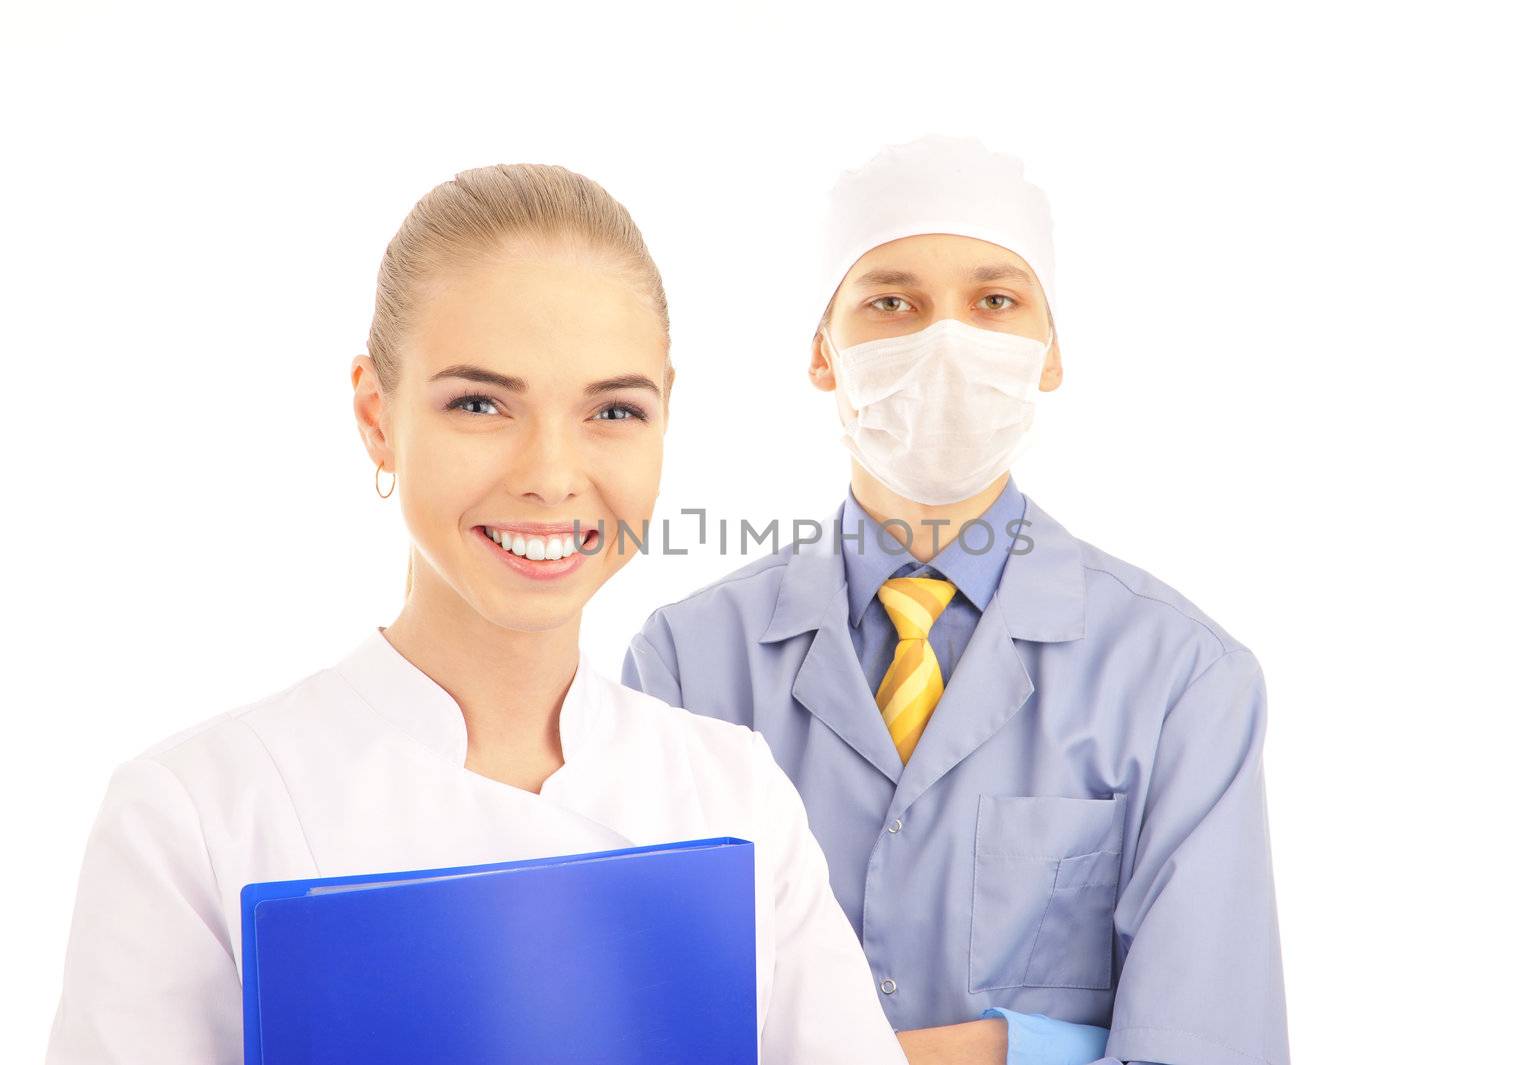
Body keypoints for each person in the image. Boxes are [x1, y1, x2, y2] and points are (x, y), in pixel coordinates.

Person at [45, 163, 909, 1065]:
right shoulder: (194, 813)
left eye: (612, 409)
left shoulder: (734, 791)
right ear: (377, 415)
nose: (549, 472)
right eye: (480, 403)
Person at [622, 136, 1290, 1065]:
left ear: (1048, 355)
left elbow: (1213, 1046)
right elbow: (648, 1025)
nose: (945, 340)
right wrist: (1037, 1048)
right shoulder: (688, 663)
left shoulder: (1184, 679)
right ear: (824, 353)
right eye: (890, 302)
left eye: (995, 301)